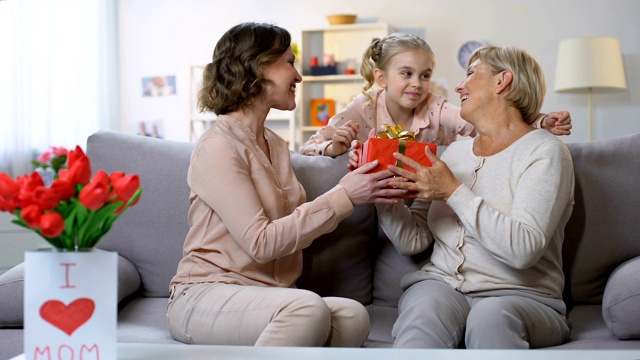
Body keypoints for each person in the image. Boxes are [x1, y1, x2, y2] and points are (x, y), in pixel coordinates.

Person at [167, 22, 405, 348]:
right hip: (206, 294)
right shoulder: (219, 146)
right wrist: (344, 195)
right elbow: (261, 243)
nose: (298, 76)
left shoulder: (276, 146)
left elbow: (292, 226)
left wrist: (338, 151)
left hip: (268, 297)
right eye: (289, 62)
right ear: (256, 66)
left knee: (353, 316)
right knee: (306, 309)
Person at [352, 46, 575, 349]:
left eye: (471, 73)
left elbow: (523, 250)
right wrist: (380, 186)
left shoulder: (545, 151)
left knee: (491, 318)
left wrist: (454, 192)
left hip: (521, 296)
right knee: (424, 311)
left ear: (502, 81)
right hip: (441, 287)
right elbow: (413, 241)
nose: (459, 86)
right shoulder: (454, 153)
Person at [299, 33, 572, 158]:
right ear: (381, 77)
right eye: (406, 74)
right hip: (380, 200)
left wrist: (540, 121)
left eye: (425, 75)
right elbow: (308, 147)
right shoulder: (363, 107)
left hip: (426, 201)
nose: (417, 84)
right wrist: (333, 148)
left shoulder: (436, 108)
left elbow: (490, 125)